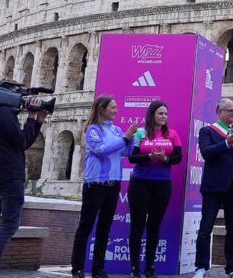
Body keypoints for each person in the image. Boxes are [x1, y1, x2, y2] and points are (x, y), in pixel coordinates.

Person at [0, 81, 47, 278]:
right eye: (20, 93)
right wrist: (31, 116)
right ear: (10, 94)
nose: (23, 98)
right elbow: (22, 142)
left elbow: (22, 142)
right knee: (9, 225)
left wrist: (37, 122)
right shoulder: (4, 113)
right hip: (10, 178)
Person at [71, 95, 137, 278]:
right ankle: (77, 268)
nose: (116, 111)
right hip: (95, 184)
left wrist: (131, 140)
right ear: (102, 109)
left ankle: (98, 269)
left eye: (116, 107)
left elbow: (125, 152)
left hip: (113, 184)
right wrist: (125, 138)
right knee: (86, 226)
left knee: (104, 228)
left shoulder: (116, 130)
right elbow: (101, 150)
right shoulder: (92, 129)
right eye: (113, 107)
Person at [194, 98, 233, 278]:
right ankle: (201, 266)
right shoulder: (208, 131)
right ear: (219, 111)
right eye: (230, 111)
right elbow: (207, 153)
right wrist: (226, 143)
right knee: (206, 227)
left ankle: (232, 268)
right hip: (213, 185)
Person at [127, 101, 182, 278]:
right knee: (137, 224)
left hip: (162, 184)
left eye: (166, 114)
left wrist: (165, 158)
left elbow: (178, 158)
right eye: (160, 114)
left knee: (154, 226)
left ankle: (150, 267)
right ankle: (135, 267)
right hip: (140, 183)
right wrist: (150, 156)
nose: (164, 117)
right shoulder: (141, 133)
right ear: (152, 115)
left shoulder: (172, 134)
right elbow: (132, 158)